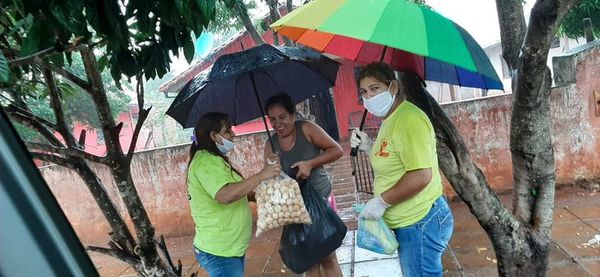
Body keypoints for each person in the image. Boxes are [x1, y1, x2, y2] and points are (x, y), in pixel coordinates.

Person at [351, 62, 454, 277]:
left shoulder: (409, 120)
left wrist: (381, 201)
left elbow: (421, 175)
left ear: (394, 87)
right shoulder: (391, 118)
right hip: (409, 223)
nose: (369, 97)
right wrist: (369, 146)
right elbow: (395, 159)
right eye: (364, 92)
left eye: (375, 88)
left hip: (420, 222)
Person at [187, 112, 280, 277]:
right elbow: (225, 195)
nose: (233, 134)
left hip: (229, 248)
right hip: (220, 251)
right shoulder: (205, 162)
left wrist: (263, 197)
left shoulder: (216, 160)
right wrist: (261, 175)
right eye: (228, 131)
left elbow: (239, 190)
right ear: (214, 136)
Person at [263, 93, 344, 277]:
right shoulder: (270, 144)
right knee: (309, 262)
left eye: (282, 117)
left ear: (293, 114)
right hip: (296, 209)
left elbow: (336, 150)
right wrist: (274, 173)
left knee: (328, 257)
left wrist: (310, 164)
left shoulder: (307, 129)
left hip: (321, 201)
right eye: (272, 119)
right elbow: (269, 180)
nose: (278, 124)